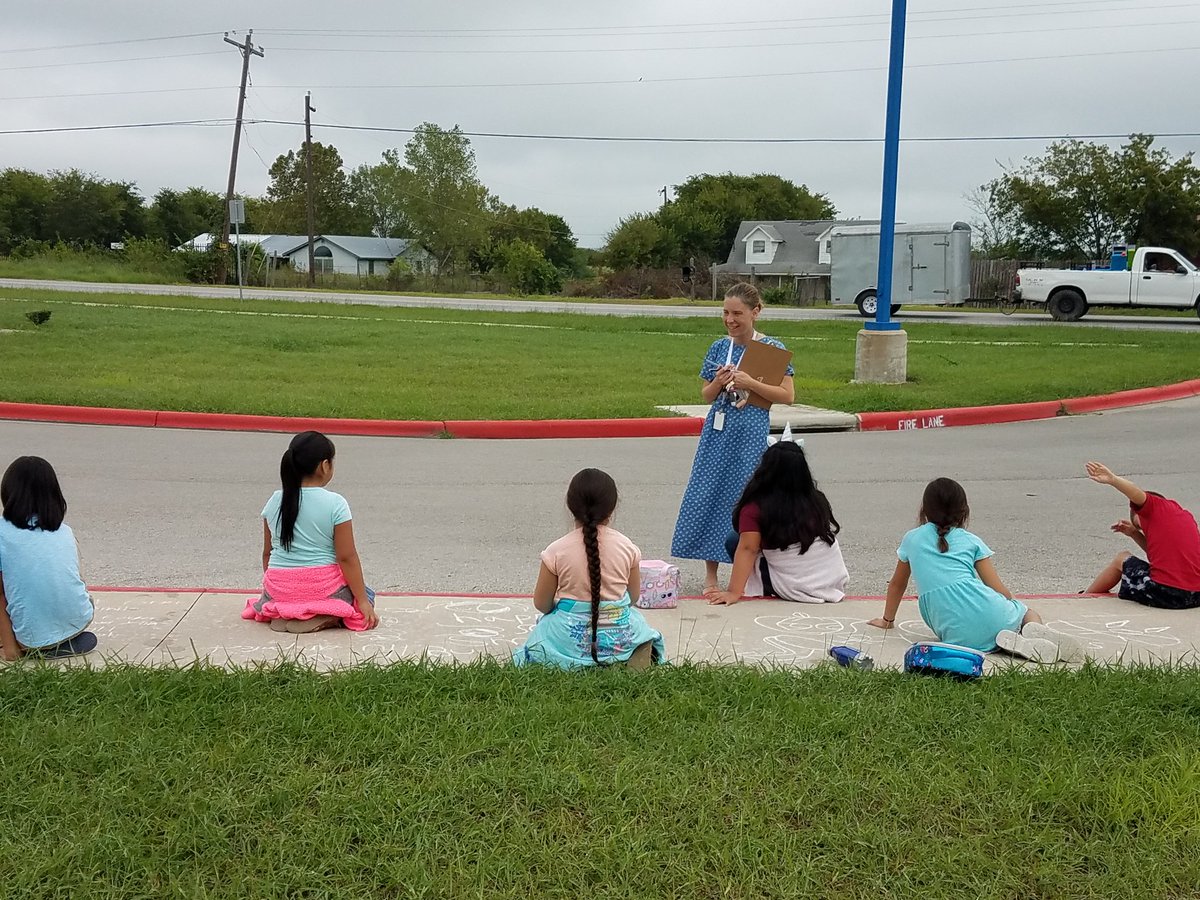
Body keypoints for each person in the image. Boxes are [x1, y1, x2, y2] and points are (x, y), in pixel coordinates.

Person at [868, 477, 1082, 662]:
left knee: (984, 630)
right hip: (993, 614)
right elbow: (997, 588)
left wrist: (887, 621)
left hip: (954, 633)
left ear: (924, 510)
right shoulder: (971, 541)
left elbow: (897, 584)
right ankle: (1031, 633)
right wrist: (1014, 605)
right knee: (1026, 612)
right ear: (964, 512)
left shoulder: (911, 539)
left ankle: (1014, 640)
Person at [671, 282, 795, 593]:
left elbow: (787, 395)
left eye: (737, 313)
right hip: (718, 430)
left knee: (745, 499)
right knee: (708, 493)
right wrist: (719, 382)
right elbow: (706, 395)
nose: (730, 320)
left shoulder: (771, 349)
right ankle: (710, 576)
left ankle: (748, 573)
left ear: (756, 311)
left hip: (751, 430)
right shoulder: (718, 347)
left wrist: (750, 382)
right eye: (726, 313)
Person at [513, 468, 665, 669]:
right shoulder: (627, 547)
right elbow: (633, 597)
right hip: (620, 634)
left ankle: (569, 660)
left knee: (539, 638)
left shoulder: (556, 551)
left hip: (567, 635)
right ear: (611, 509)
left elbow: (542, 604)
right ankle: (625, 658)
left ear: (570, 506)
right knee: (639, 624)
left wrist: (564, 609)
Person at [243, 431, 379, 633]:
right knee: (366, 594)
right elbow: (346, 557)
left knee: (288, 594)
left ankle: (286, 609)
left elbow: (267, 553)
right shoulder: (336, 504)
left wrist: (280, 590)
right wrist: (363, 601)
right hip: (319, 587)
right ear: (325, 465)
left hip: (278, 588)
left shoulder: (275, 500)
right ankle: (324, 613)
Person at [706, 441, 848, 606]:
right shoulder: (816, 499)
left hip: (793, 584)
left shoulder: (754, 507)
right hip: (831, 579)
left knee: (734, 539)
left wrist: (733, 592)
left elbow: (748, 548)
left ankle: (764, 585)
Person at [0, 456, 97, 660]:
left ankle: (28, 643)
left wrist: (11, 652)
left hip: (28, 636)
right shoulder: (64, 531)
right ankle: (58, 639)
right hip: (78, 619)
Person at [1083, 461, 1200, 608]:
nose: (1141, 528)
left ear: (1138, 512)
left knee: (1122, 558)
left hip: (1168, 594)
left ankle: (1084, 597)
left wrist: (1113, 479)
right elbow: (1159, 557)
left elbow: (1135, 493)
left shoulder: (1153, 507)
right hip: (1195, 595)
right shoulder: (1183, 515)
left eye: (1139, 526)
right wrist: (1134, 533)